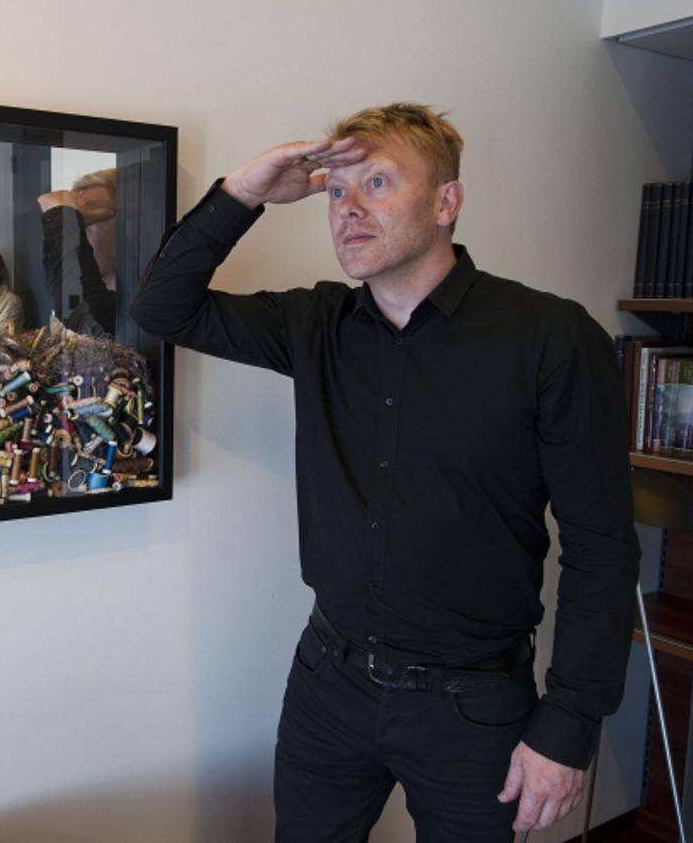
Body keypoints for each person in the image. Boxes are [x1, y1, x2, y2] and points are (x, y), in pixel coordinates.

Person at [130, 104, 639, 841]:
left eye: (376, 182)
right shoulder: (315, 325)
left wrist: (568, 721)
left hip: (473, 704)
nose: (349, 209)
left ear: (445, 202)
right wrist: (242, 191)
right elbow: (159, 309)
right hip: (327, 683)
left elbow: (600, 543)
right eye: (337, 192)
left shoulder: (550, 338)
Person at [38, 167, 117, 337]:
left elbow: (91, 316)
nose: (80, 233)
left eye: (89, 220)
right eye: (79, 223)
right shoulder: (65, 308)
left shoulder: (136, 304)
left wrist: (62, 218)